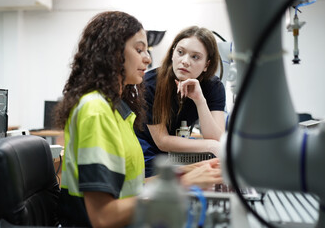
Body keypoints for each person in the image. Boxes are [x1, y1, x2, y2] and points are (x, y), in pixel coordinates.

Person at [54, 11, 222, 228]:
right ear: (113, 53)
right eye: (139, 49)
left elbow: (131, 186)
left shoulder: (118, 111)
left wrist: (192, 170)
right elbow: (104, 217)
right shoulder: (96, 110)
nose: (148, 58)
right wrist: (183, 183)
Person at [135, 26, 226, 177]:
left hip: (174, 152)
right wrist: (209, 145)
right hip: (147, 153)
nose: (185, 61)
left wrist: (200, 101)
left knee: (216, 170)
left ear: (207, 65)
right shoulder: (150, 85)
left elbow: (217, 138)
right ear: (172, 53)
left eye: (195, 57)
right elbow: (162, 141)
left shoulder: (213, 86)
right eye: (180, 52)